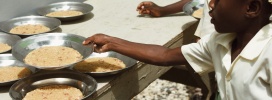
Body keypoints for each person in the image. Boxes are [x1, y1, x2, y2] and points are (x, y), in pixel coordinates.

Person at [83, 0, 272, 99]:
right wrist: (111, 42)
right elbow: (164, 55)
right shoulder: (220, 42)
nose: (209, 5)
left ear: (252, 7)